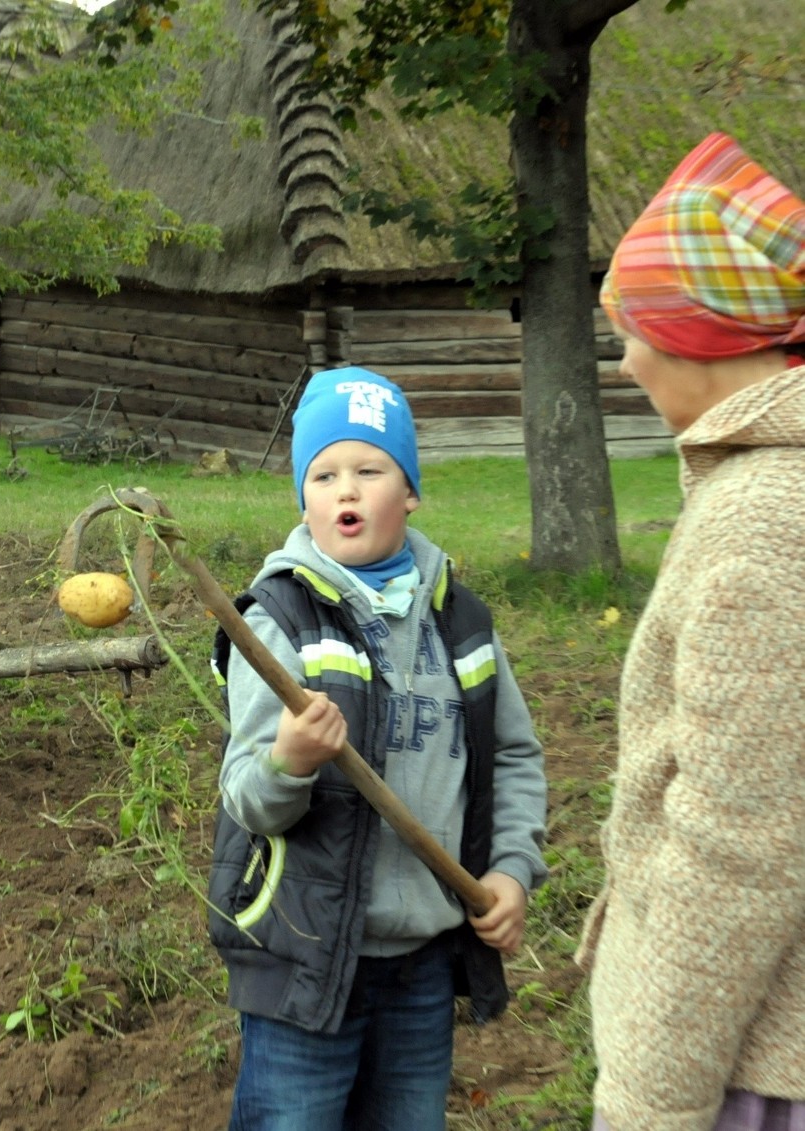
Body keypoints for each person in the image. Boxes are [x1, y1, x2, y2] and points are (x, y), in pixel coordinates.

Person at [208, 366, 548, 1131]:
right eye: (323, 474)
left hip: (422, 961)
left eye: (370, 469)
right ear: (303, 496)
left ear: (411, 491)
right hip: (307, 955)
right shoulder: (281, 618)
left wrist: (512, 869)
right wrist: (289, 758)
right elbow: (248, 797)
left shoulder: (459, 619)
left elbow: (517, 755)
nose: (345, 490)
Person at [577, 131, 805, 1131]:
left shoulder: (762, 522)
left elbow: (740, 849)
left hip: (752, 1063)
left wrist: (650, 1100)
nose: (624, 361)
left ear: (697, 332)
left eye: (633, 329)